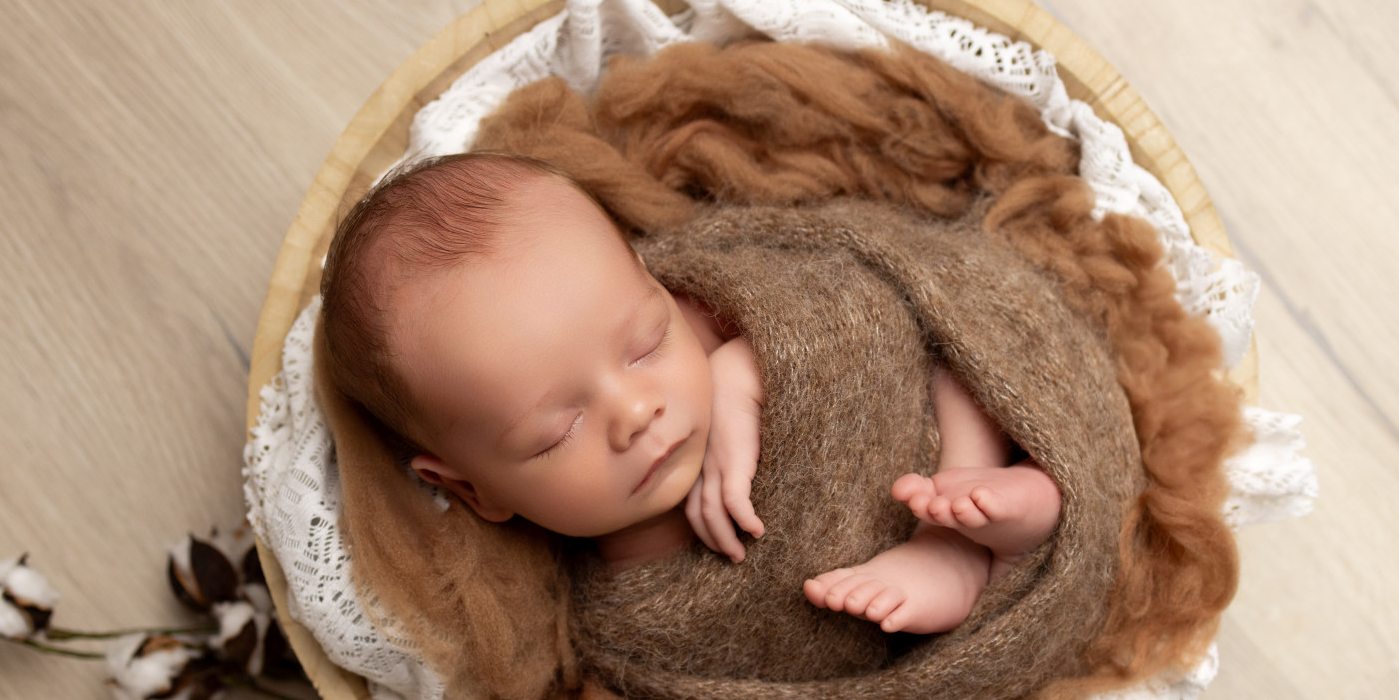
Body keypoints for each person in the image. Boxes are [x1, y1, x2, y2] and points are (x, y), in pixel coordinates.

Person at [317, 152, 1061, 635]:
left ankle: (966, 522)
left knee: (953, 357)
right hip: (870, 616)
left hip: (922, 424)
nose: (635, 413)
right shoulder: (620, 599)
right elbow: (742, 685)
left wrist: (751, 368)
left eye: (645, 345)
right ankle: (998, 549)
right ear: (474, 490)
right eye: (555, 432)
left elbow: (866, 292)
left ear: (654, 282)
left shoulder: (705, 313)